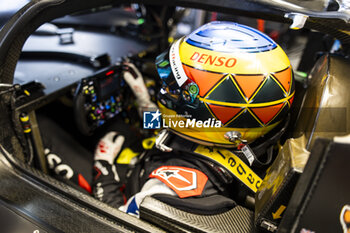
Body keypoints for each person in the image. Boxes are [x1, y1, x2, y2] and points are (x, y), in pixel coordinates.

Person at [92, 21, 295, 217]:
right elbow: (189, 131)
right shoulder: (256, 138)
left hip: (134, 176)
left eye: (175, 91)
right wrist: (146, 106)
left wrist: (104, 168)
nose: (166, 91)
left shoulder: (167, 189)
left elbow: (116, 218)